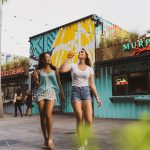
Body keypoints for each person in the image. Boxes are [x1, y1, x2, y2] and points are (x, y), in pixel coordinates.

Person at [60, 48, 102, 149]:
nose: (80, 53)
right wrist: (68, 58)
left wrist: (97, 97)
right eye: (79, 52)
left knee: (89, 120)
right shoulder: (73, 66)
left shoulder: (89, 69)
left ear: (86, 55)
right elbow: (62, 70)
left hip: (86, 92)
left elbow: (92, 84)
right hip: (75, 92)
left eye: (82, 52)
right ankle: (81, 143)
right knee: (79, 116)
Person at [32, 52, 65, 150]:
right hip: (41, 93)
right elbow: (38, 85)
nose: (49, 58)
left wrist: (62, 93)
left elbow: (59, 82)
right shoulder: (38, 71)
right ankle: (46, 140)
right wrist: (35, 79)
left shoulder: (55, 70)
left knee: (48, 114)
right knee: (42, 116)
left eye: (49, 57)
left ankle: (50, 138)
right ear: (42, 60)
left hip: (51, 92)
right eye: (47, 57)